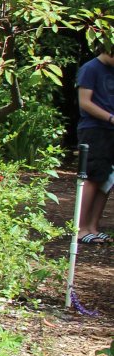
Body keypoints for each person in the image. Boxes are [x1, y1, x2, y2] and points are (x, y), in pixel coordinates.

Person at [76, 46, 114, 243]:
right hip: (94, 130)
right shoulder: (90, 68)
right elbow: (85, 102)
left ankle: (93, 227)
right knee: (91, 176)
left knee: (107, 179)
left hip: (110, 132)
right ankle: (80, 229)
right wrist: (110, 118)